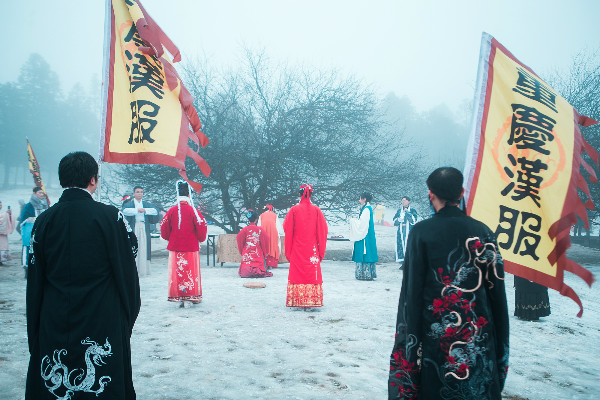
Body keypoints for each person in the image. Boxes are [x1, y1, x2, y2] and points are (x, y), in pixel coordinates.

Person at [26, 151, 140, 400]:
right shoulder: (111, 217)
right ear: (93, 180)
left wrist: (35, 329)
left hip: (55, 317)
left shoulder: (43, 221)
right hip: (102, 317)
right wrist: (126, 316)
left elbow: (34, 280)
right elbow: (128, 264)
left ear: (62, 180)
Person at [388, 167, 509, 399]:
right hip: (477, 336)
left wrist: (410, 348)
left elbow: (411, 293)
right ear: (461, 193)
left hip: (436, 339)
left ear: (430, 194)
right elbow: (497, 294)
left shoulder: (421, 232)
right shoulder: (483, 232)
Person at [160, 181, 207, 307]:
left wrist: (170, 237)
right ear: (189, 195)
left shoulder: (171, 211)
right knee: (190, 272)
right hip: (191, 247)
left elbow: (164, 228)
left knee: (178, 272)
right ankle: (191, 296)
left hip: (176, 247)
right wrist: (200, 238)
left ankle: (179, 295)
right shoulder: (194, 211)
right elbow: (202, 228)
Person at [283, 185, 328, 308]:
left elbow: (287, 229)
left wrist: (288, 252)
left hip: (297, 249)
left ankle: (297, 300)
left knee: (297, 274)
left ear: (299, 194)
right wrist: (320, 252)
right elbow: (323, 231)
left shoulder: (293, 210)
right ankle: (312, 300)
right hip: (312, 249)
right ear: (311, 195)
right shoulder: (317, 211)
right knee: (311, 274)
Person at [122, 186, 159, 276]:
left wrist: (145, 210)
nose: (139, 194)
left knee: (144, 247)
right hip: (134, 227)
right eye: (137, 192)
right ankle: (133, 269)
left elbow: (155, 211)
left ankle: (143, 270)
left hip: (144, 227)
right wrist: (137, 210)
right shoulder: (129, 204)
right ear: (134, 193)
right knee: (134, 246)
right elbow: (125, 211)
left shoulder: (146, 204)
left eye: (141, 192)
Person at [349, 192, 378, 280]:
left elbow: (362, 224)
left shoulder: (366, 210)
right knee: (367, 252)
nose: (359, 200)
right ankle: (367, 273)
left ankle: (364, 274)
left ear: (364, 199)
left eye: (360, 198)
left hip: (365, 235)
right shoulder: (367, 208)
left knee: (364, 252)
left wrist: (352, 221)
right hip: (368, 234)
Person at [237, 209, 273, 278]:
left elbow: (239, 238)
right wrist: (265, 252)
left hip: (247, 252)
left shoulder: (244, 230)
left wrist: (242, 250)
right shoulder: (260, 230)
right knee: (259, 267)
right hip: (257, 253)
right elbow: (266, 240)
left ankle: (248, 271)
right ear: (256, 220)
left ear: (248, 220)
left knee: (246, 268)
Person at [20, 187, 49, 269]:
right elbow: (24, 219)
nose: (41, 194)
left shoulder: (45, 204)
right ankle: (26, 265)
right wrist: (36, 219)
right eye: (40, 192)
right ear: (34, 193)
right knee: (28, 247)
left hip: (42, 231)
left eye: (42, 193)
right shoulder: (29, 205)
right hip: (31, 230)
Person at [393, 196, 418, 268]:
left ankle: (410, 262)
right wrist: (399, 219)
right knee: (401, 245)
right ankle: (403, 262)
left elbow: (414, 221)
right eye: (402, 201)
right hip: (401, 232)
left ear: (408, 201)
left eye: (405, 200)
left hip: (409, 231)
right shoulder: (399, 211)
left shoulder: (412, 210)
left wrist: (408, 213)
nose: (403, 202)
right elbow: (394, 222)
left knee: (409, 246)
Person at [0, 200, 15, 264]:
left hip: (3, 235)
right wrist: (5, 214)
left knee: (3, 246)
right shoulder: (3, 214)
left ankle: (1, 260)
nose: (0, 206)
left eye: (1, 205)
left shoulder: (2, 214)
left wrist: (9, 214)